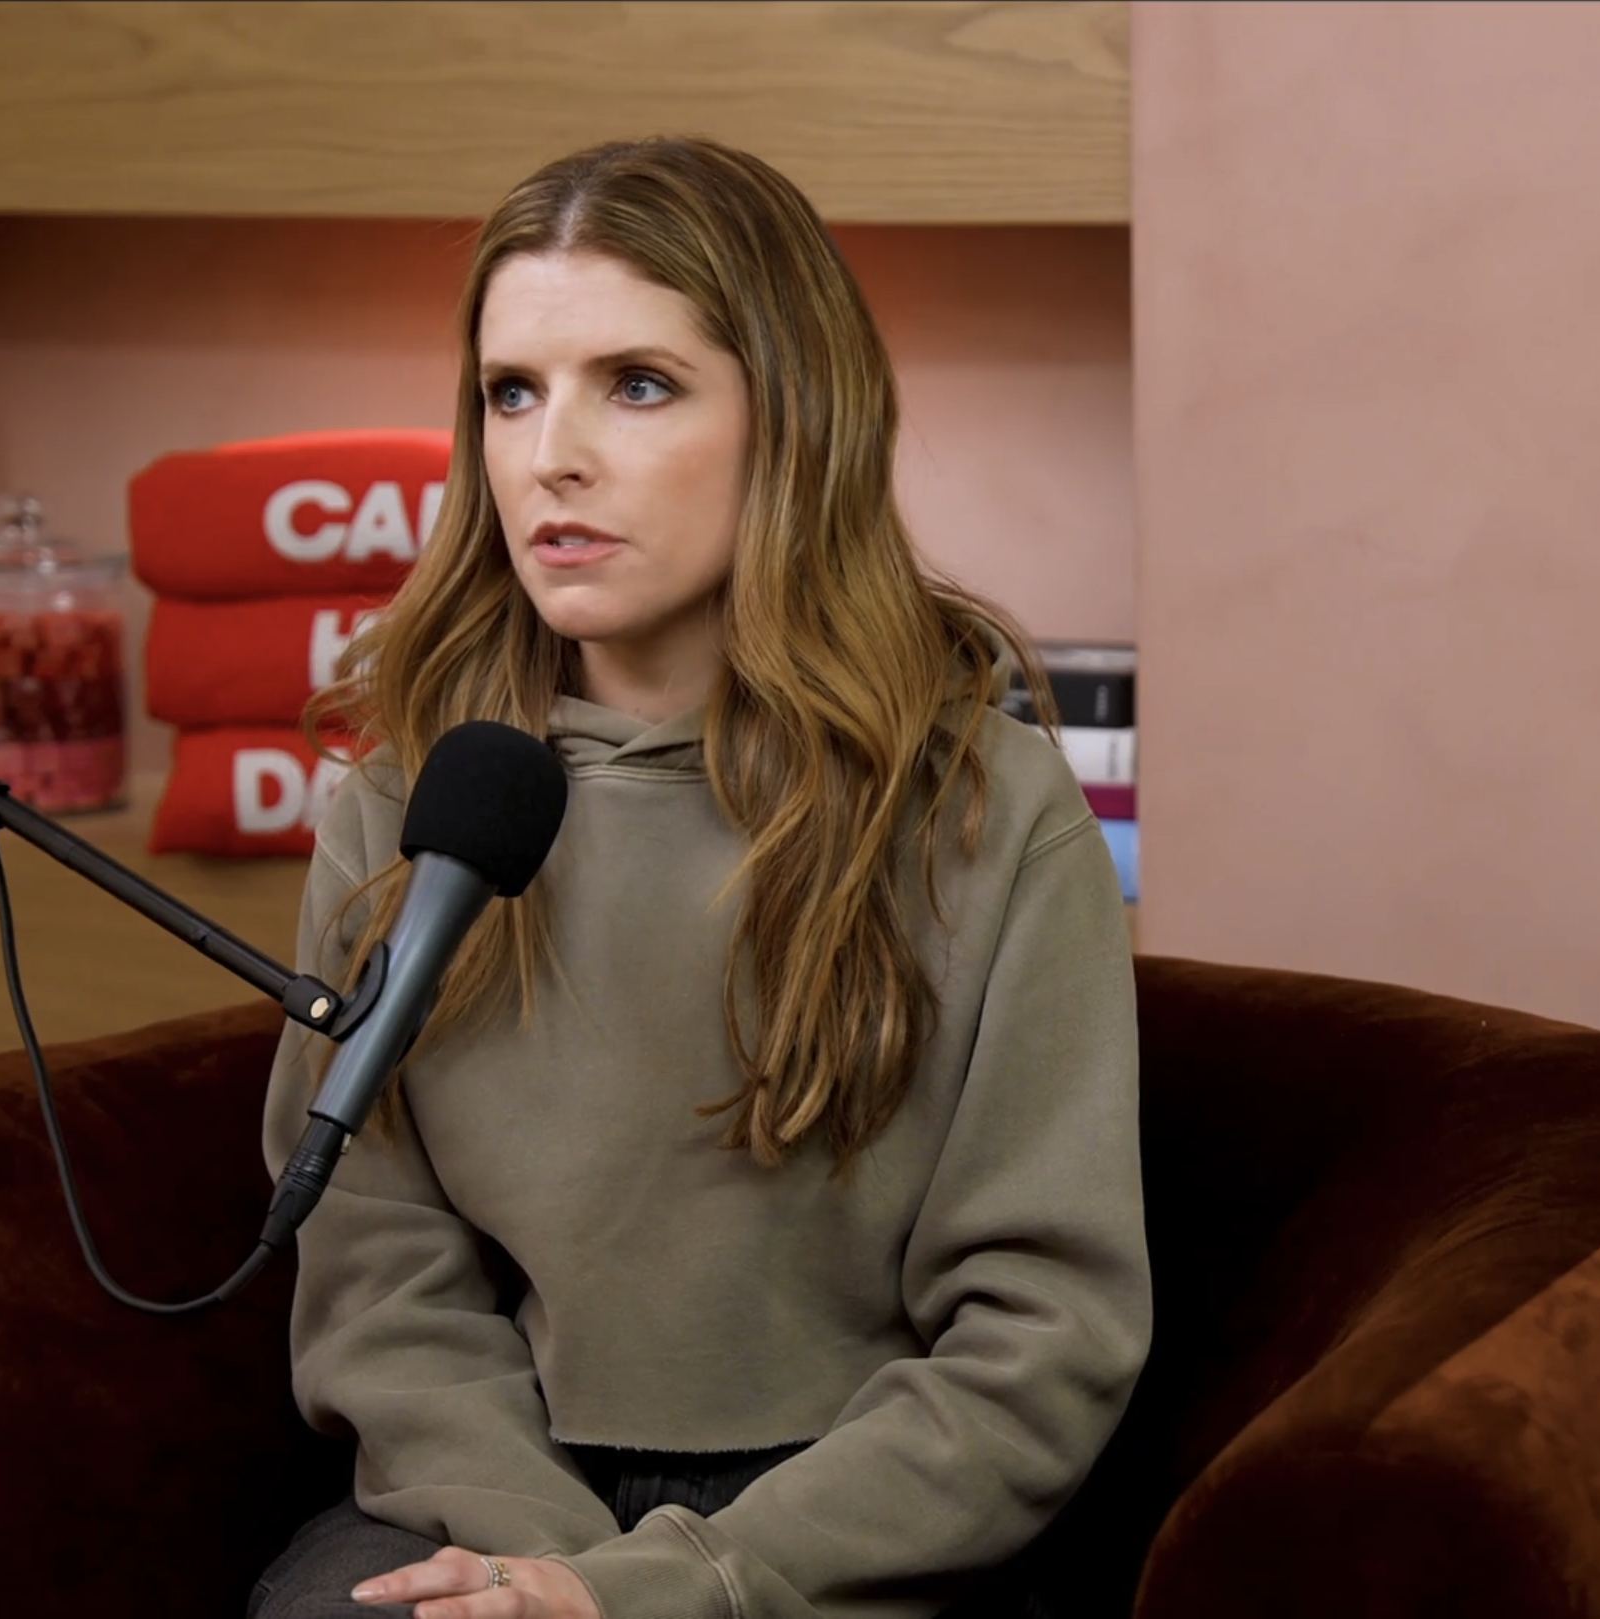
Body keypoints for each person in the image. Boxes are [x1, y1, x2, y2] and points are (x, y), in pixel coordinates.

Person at [251, 135, 1148, 1619]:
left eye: (640, 384)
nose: (554, 456)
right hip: (488, 1496)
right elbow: (379, 1279)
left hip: (854, 1524)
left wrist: (658, 1593)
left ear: (793, 419)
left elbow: (1041, 1337)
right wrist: (543, 1570)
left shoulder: (991, 807)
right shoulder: (411, 796)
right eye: (511, 392)